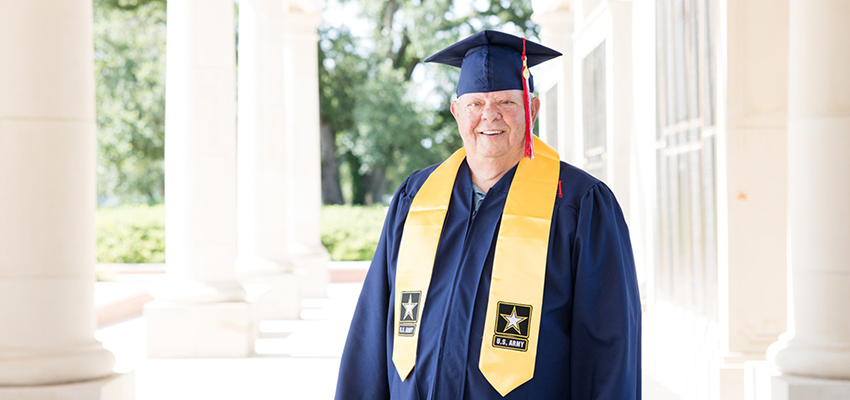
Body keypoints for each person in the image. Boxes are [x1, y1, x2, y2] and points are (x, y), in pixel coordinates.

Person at [335, 30, 641, 399]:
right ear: (456, 112)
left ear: (532, 109)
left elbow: (607, 348)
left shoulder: (578, 204)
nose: (489, 115)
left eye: (507, 103)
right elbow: (371, 330)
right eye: (475, 103)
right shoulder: (416, 198)